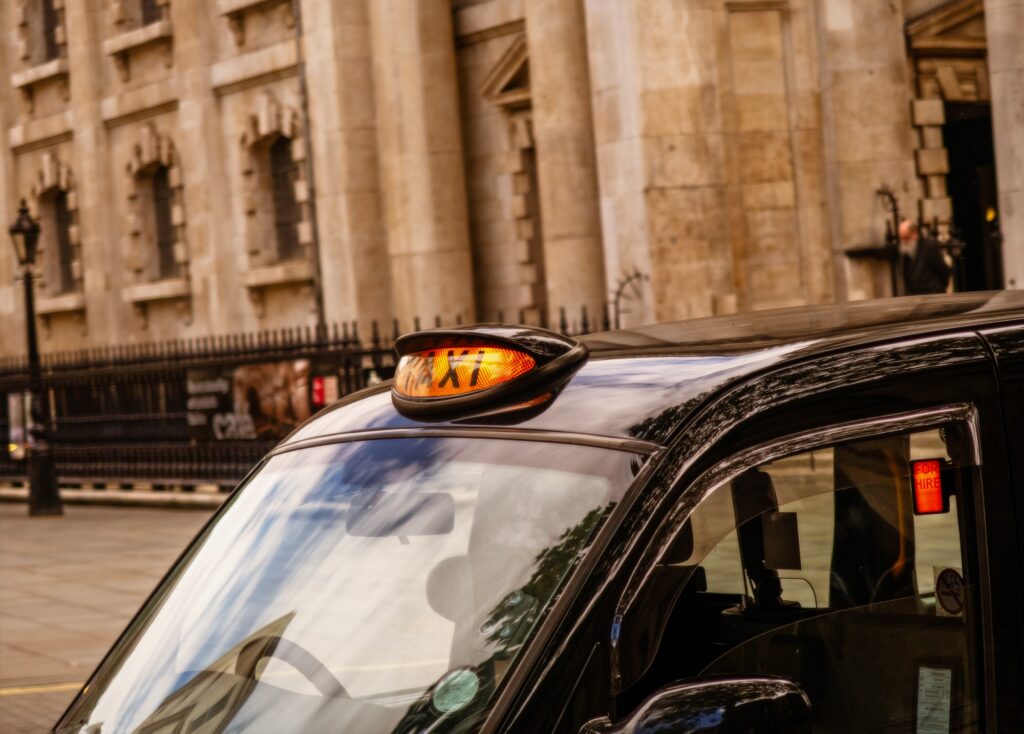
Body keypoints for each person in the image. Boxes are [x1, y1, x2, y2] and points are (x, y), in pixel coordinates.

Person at [899, 219, 952, 295]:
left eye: (906, 238)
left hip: (932, 294)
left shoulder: (929, 247)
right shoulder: (906, 251)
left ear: (915, 234)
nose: (904, 242)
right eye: (902, 238)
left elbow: (943, 270)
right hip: (914, 296)